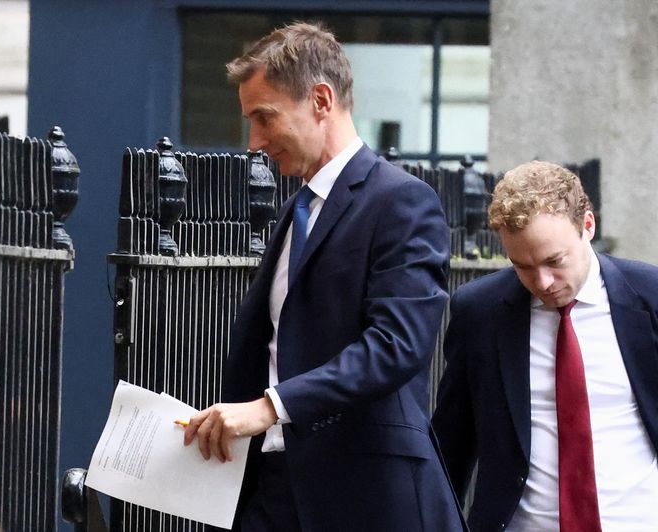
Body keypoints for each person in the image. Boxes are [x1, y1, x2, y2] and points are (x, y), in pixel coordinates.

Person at [181, 21, 466, 532]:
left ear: (320, 99)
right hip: (272, 489)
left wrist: (270, 407)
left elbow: (397, 345)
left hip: (366, 496)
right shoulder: (296, 211)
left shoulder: (402, 201)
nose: (254, 142)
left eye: (264, 118)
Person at [432, 160, 658, 531]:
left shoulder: (649, 297)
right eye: (523, 266)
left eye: (555, 261)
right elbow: (450, 445)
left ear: (588, 225)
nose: (543, 281)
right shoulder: (480, 313)